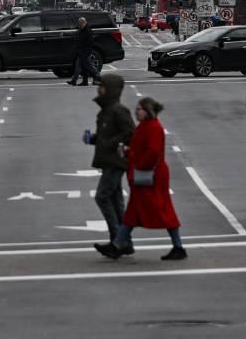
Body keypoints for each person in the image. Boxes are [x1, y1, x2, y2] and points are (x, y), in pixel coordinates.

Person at [95, 97, 186, 261]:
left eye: (139, 109)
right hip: (145, 175)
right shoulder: (145, 126)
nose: (136, 111)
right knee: (133, 213)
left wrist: (136, 162)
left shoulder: (153, 127)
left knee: (162, 211)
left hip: (151, 177)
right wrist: (130, 152)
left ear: (147, 111)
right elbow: (143, 150)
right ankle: (117, 245)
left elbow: (152, 153)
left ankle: (178, 247)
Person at [85, 74, 134, 250]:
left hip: (115, 161)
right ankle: (124, 241)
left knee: (102, 197)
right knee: (115, 200)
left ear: (111, 90)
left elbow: (129, 133)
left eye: (102, 86)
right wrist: (93, 139)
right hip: (109, 161)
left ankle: (117, 239)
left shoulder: (118, 110)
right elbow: (107, 135)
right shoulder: (106, 110)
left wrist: (109, 143)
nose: (99, 89)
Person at [67, 16, 102, 86]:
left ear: (85, 23)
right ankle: (83, 80)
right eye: (79, 23)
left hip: (86, 52)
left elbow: (89, 43)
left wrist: (85, 52)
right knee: (82, 66)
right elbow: (78, 40)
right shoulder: (81, 31)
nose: (80, 25)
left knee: (87, 66)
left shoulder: (88, 31)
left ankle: (98, 77)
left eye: (81, 23)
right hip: (81, 51)